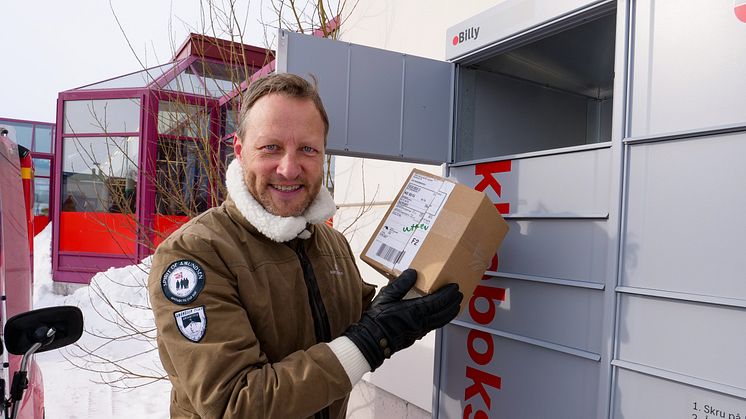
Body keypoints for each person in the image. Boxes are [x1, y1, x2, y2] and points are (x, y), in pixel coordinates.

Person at [148, 73, 463, 419]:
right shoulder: (194, 255)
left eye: (308, 150)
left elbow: (361, 324)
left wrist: (409, 307)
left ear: (324, 156)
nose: (289, 168)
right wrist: (373, 339)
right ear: (239, 151)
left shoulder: (332, 244)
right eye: (271, 147)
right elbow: (234, 404)